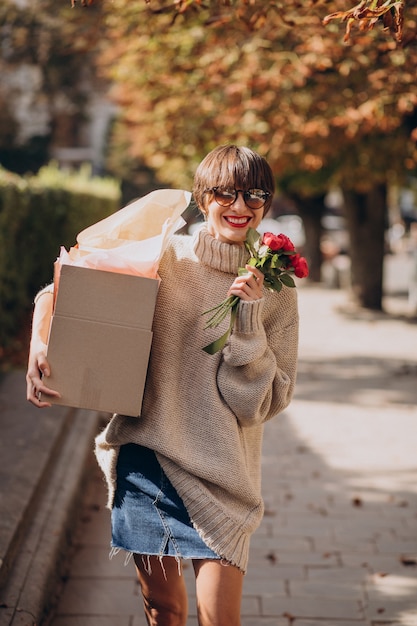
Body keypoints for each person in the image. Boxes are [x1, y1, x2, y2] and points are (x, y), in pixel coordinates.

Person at [26, 144, 299, 626]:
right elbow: (64, 287)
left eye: (255, 194)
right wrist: (39, 346)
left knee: (220, 620)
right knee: (164, 611)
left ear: (267, 202)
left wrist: (249, 322)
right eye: (226, 193)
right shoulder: (164, 257)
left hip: (223, 477)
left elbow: (257, 405)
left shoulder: (274, 286)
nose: (240, 207)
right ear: (202, 196)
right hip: (147, 459)